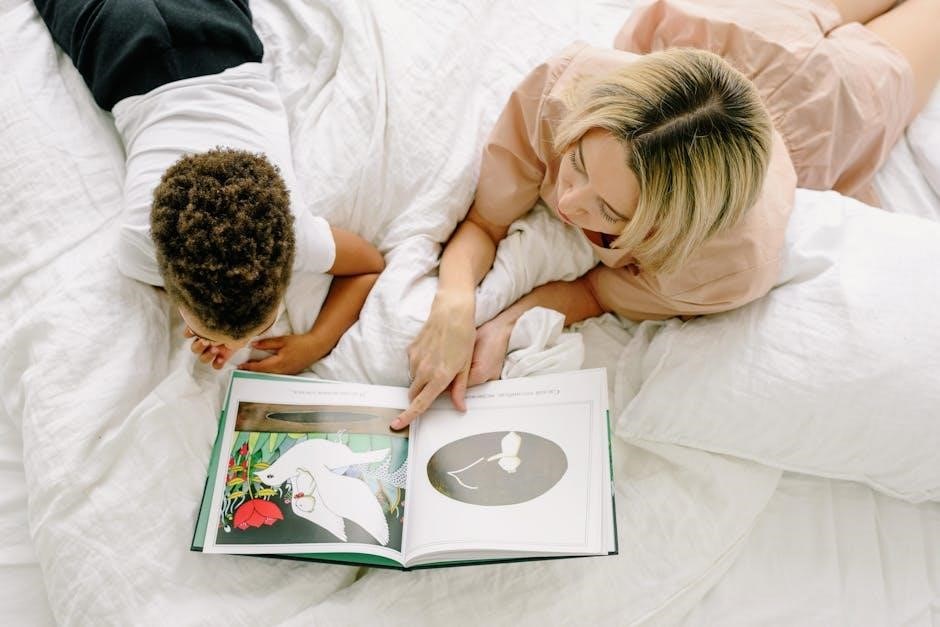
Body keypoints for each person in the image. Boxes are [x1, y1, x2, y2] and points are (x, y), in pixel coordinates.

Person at [395, 0, 940, 428]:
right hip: (734, 22)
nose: (567, 202)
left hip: (831, 102)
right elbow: (485, 223)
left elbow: (594, 292)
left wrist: (509, 323)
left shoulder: (720, 266)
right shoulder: (567, 90)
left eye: (608, 209)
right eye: (578, 163)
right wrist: (456, 303)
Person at [33, 0, 384, 373]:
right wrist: (314, 343)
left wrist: (305, 340)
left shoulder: (294, 236)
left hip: (211, 37)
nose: (238, 345)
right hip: (122, 48)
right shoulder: (138, 249)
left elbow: (368, 267)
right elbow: (369, 265)